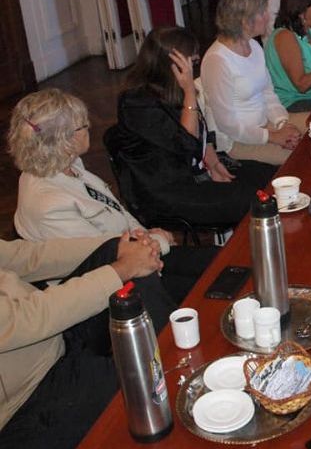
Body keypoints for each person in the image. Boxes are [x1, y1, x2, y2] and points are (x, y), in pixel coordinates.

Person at [9, 89, 215, 304]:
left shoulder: (67, 166)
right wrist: (161, 241)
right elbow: (102, 258)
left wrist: (146, 235)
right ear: (65, 141)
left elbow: (118, 210)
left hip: (140, 252)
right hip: (116, 288)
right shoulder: (48, 205)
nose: (89, 127)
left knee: (217, 263)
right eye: (82, 125)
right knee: (213, 288)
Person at [0, 232, 173, 449]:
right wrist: (123, 268)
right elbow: (27, 319)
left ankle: (172, 365)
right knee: (145, 388)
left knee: (117, 252)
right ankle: (169, 383)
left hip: (54, 340)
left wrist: (128, 249)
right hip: (29, 402)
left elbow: (26, 257)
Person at [113, 26, 274, 228]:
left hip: (195, 171)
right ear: (174, 64)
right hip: (168, 189)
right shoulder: (137, 102)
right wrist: (190, 90)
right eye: (192, 59)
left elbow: (201, 134)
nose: (196, 60)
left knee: (270, 176)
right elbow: (186, 143)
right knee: (251, 200)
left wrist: (213, 163)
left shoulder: (171, 89)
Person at [201, 0, 305, 165]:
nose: (268, 16)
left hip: (268, 125)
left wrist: (282, 123)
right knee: (307, 154)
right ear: (244, 21)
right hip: (240, 142)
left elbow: (268, 93)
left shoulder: (254, 46)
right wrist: (273, 136)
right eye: (262, 12)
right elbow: (228, 125)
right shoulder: (217, 61)